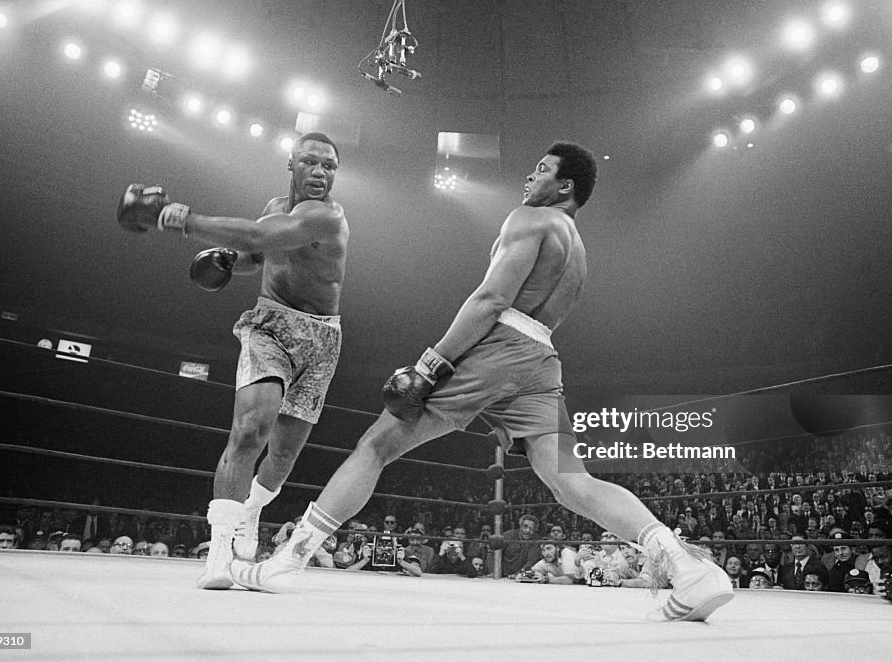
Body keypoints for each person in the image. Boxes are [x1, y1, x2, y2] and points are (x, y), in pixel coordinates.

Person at [230, 141, 732, 621]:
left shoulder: (529, 218)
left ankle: (286, 561)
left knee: (376, 445)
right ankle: (690, 568)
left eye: (542, 169)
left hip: (499, 349)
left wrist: (432, 363)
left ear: (565, 187)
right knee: (571, 482)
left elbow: (491, 299)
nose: (530, 176)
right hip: (541, 358)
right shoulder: (576, 247)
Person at [118, 132, 348, 589]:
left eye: (329, 166)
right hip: (269, 327)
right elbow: (254, 253)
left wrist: (176, 218)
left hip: (322, 339)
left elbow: (262, 235)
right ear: (291, 165)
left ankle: (252, 512)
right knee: (249, 431)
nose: (320, 173)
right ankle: (218, 556)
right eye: (310, 162)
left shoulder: (327, 216)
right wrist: (227, 258)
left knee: (282, 455)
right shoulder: (272, 207)